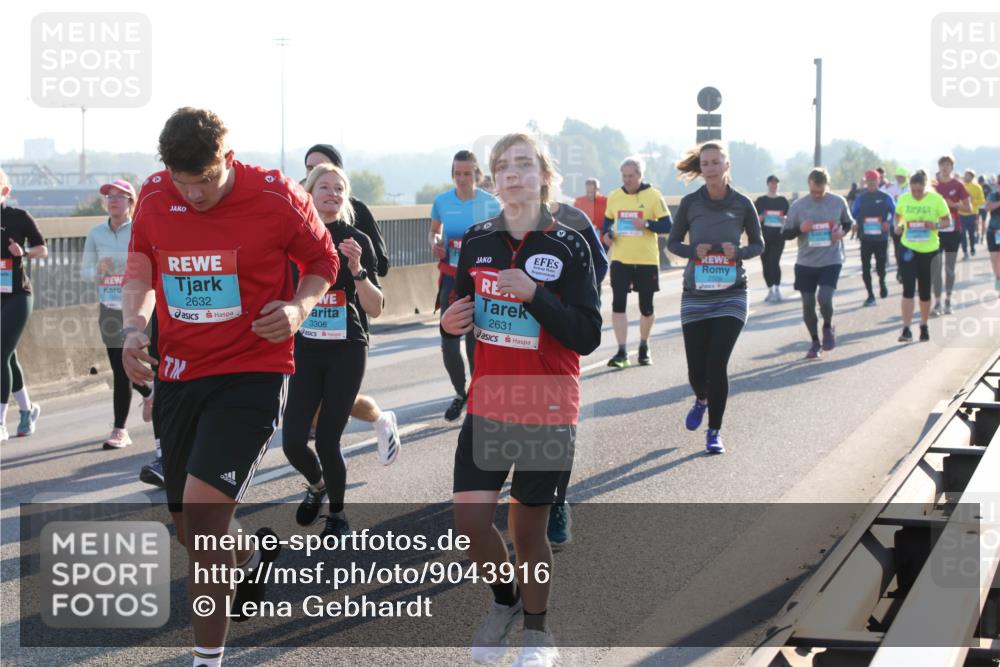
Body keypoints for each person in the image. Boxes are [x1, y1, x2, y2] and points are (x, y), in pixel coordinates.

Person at [122, 108, 339, 667]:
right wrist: (131, 328)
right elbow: (142, 263)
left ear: (229, 158)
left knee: (204, 515)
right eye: (183, 182)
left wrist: (298, 307)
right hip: (178, 376)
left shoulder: (275, 194)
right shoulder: (152, 195)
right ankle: (250, 554)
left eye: (207, 181)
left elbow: (322, 260)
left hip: (252, 371)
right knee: (193, 531)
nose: (194, 195)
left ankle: (206, 659)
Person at [441, 133, 600, 667]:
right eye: (502, 167)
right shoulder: (478, 241)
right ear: (493, 180)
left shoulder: (569, 244)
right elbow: (459, 313)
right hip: (490, 399)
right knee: (469, 524)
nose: (512, 174)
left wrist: (536, 296)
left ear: (543, 176)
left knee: (527, 529)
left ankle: (538, 633)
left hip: (547, 402)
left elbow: (586, 335)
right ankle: (505, 601)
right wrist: (448, 323)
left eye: (524, 165)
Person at [283, 163, 385, 536]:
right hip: (304, 350)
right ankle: (317, 485)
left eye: (339, 188)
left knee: (327, 439)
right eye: (323, 186)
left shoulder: (356, 239)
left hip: (347, 349)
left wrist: (357, 268)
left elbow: (375, 307)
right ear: (308, 193)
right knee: (293, 442)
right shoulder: (293, 238)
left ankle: (338, 514)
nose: (332, 193)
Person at [303, 145, 399, 463]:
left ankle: (335, 457)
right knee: (324, 400)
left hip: (349, 324)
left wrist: (355, 264)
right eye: (310, 168)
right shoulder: (298, 216)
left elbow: (380, 263)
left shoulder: (353, 211)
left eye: (325, 167)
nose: (317, 172)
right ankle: (330, 456)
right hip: (308, 329)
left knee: (331, 401)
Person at [668, 142, 763, 454]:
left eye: (715, 163)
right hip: (696, 294)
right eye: (705, 163)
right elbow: (673, 243)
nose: (709, 168)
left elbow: (758, 245)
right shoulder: (690, 203)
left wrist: (741, 252)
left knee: (716, 364)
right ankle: (701, 399)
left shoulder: (743, 204)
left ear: (726, 166)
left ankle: (715, 431)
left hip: (732, 294)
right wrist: (692, 252)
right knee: (697, 372)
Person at [545, 198, 609, 548]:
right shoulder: (499, 224)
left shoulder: (573, 220)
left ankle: (557, 500)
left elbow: (599, 265)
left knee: (558, 421)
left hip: (559, 328)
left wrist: (571, 296)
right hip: (513, 338)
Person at [81, 179, 155, 449]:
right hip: (109, 308)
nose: (113, 200)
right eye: (109, 197)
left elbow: (150, 263)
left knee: (124, 371)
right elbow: (85, 271)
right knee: (118, 367)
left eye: (120, 196)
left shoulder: (139, 229)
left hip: (136, 308)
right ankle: (149, 391)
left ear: (131, 203)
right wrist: (99, 269)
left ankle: (120, 430)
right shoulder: (96, 233)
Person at [431, 150, 501, 421]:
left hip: (480, 280)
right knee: (449, 344)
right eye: (457, 174)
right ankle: (460, 391)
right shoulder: (442, 201)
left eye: (467, 174)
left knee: (475, 344)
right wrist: (435, 242)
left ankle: (476, 392)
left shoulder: (491, 204)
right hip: (451, 278)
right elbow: (435, 230)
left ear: (477, 175)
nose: (462, 179)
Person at [602, 157, 672, 368]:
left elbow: (668, 225)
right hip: (621, 260)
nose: (628, 180)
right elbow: (607, 222)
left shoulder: (653, 195)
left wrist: (647, 223)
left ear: (640, 175)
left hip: (646, 260)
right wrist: (607, 235)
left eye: (632, 176)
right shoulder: (614, 197)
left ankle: (644, 345)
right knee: (618, 305)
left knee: (646, 308)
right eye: (624, 176)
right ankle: (622, 351)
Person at [782, 168, 854, 359]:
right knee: (807, 304)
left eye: (820, 192)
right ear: (809, 185)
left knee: (825, 298)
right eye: (814, 191)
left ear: (826, 187)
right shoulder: (798, 206)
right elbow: (786, 232)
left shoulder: (838, 202)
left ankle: (828, 326)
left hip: (831, 259)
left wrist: (841, 233)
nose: (817, 195)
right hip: (806, 261)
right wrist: (800, 228)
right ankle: (815, 341)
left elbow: (847, 223)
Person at [0, 167, 46, 442]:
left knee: (0, 354)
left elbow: (43, 248)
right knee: (8, 356)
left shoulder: (18, 217)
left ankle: (1, 422)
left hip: (18, 294)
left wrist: (24, 252)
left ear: (5, 192)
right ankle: (28, 411)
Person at [894, 170, 950, 342]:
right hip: (908, 248)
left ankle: (924, 325)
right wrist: (897, 225)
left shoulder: (936, 200)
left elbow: (947, 221)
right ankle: (906, 329)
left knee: (925, 291)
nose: (916, 194)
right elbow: (898, 216)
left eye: (920, 191)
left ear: (926, 187)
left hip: (929, 250)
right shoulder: (904, 199)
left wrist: (934, 224)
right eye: (913, 191)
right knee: (908, 289)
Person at [931, 155, 971, 315]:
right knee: (935, 268)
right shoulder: (932, 185)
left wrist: (954, 205)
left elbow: (968, 208)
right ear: (939, 167)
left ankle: (948, 300)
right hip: (936, 231)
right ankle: (937, 302)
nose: (945, 168)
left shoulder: (958, 185)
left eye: (948, 165)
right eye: (942, 165)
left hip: (953, 231)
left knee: (949, 268)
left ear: (952, 167)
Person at [851, 169, 895, 306]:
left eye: (874, 180)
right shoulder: (861, 198)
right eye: (868, 180)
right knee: (865, 267)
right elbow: (853, 214)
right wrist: (856, 223)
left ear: (878, 181)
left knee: (880, 266)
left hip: (881, 238)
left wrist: (888, 222)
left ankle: (882, 282)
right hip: (865, 238)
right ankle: (870, 294)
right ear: (866, 181)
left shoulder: (885, 197)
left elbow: (893, 211)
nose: (871, 183)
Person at [754, 175, 789, 303]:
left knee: (774, 261)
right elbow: (753, 219)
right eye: (772, 184)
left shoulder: (783, 201)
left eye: (776, 184)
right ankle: (770, 290)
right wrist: (760, 218)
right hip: (764, 237)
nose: (774, 186)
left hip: (779, 236)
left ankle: (778, 289)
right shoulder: (761, 201)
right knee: (766, 263)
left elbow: (789, 218)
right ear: (768, 184)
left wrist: (784, 219)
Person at [960, 169, 985, 259]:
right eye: (965, 175)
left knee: (971, 233)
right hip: (961, 214)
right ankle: (965, 252)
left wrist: (973, 200)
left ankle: (972, 248)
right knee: (962, 234)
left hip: (973, 214)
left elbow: (982, 200)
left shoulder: (977, 187)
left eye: (968, 175)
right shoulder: (961, 186)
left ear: (972, 177)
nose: (966, 177)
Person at [986, 180, 1000, 291]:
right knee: (995, 260)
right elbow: (987, 207)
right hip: (994, 231)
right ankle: (998, 278)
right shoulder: (993, 195)